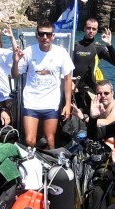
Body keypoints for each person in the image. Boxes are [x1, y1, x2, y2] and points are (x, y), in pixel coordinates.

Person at [11, 20, 74, 149]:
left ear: (53, 36)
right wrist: (15, 61)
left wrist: (67, 104)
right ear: (36, 35)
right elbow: (15, 75)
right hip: (31, 102)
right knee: (29, 140)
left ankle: (48, 164)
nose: (44, 37)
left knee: (49, 140)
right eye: (41, 34)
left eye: (48, 34)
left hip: (51, 103)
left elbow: (68, 79)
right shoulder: (29, 51)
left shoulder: (61, 53)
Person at [73, 18, 115, 113]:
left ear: (97, 30)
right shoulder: (74, 46)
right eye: (89, 28)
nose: (91, 31)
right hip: (74, 88)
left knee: (90, 117)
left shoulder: (98, 48)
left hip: (91, 91)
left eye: (94, 29)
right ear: (84, 28)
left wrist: (109, 44)